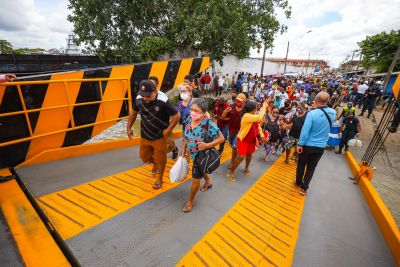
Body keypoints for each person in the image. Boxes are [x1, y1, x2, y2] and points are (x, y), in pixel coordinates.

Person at [127, 80, 181, 189]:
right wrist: (128, 128)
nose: (145, 98)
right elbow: (133, 112)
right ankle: (154, 163)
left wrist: (168, 129)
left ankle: (159, 180)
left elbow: (177, 115)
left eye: (148, 95)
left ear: (155, 91)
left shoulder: (163, 101)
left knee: (161, 160)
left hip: (159, 137)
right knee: (144, 158)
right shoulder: (139, 99)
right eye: (143, 95)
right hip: (145, 135)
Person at [181, 98, 224, 212]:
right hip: (193, 153)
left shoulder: (209, 125)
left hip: (202, 155)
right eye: (192, 109)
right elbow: (186, 135)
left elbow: (221, 138)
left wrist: (207, 145)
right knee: (201, 168)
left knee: (195, 179)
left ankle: (190, 201)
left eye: (196, 111)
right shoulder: (189, 119)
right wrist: (184, 150)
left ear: (204, 112)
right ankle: (208, 181)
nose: (193, 112)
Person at [294, 92, 336, 195]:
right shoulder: (333, 112)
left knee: (301, 164)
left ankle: (298, 182)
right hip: (321, 146)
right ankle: (304, 188)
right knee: (311, 167)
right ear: (328, 101)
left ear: (316, 101)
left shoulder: (311, 114)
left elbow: (305, 131)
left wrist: (300, 144)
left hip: (308, 145)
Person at [227, 100, 267, 181]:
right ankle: (231, 172)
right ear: (252, 109)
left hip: (251, 140)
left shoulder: (252, 115)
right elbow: (259, 118)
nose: (256, 109)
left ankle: (246, 167)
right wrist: (264, 106)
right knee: (241, 157)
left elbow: (258, 126)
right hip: (243, 140)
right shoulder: (246, 116)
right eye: (256, 108)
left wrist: (262, 135)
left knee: (249, 155)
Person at [149, 76, 180, 160]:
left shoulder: (163, 97)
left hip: (164, 122)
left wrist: (169, 126)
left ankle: (175, 149)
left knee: (169, 141)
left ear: (157, 85)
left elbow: (173, 112)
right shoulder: (146, 94)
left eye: (152, 84)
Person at [222, 93, 247, 169]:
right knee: (232, 146)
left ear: (244, 102)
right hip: (231, 131)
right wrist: (226, 111)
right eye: (237, 100)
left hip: (240, 132)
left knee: (234, 147)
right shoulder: (231, 107)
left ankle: (232, 162)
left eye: (240, 101)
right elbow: (223, 117)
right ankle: (237, 154)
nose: (238, 102)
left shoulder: (246, 110)